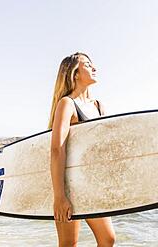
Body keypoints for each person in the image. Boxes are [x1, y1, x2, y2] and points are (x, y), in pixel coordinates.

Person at [48, 52, 116, 247]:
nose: (94, 68)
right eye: (88, 65)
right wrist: (59, 196)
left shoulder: (99, 106)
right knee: (69, 243)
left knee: (108, 239)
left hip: (92, 183)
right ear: (75, 74)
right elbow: (57, 149)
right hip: (70, 185)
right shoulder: (67, 104)